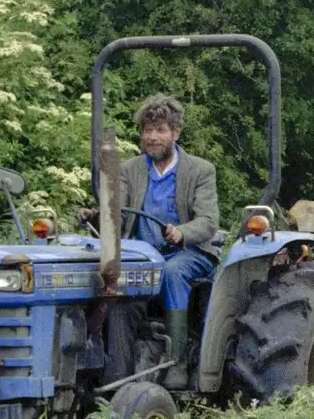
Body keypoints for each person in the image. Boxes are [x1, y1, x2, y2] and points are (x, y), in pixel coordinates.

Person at [92, 94, 220, 388]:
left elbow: (208, 221)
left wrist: (182, 232)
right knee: (118, 300)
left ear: (176, 133)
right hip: (144, 257)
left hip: (189, 252)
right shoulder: (129, 170)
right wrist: (100, 215)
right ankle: (118, 383)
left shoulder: (200, 170)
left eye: (160, 130)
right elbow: (119, 213)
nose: (152, 137)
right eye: (147, 131)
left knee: (173, 273)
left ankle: (177, 362)